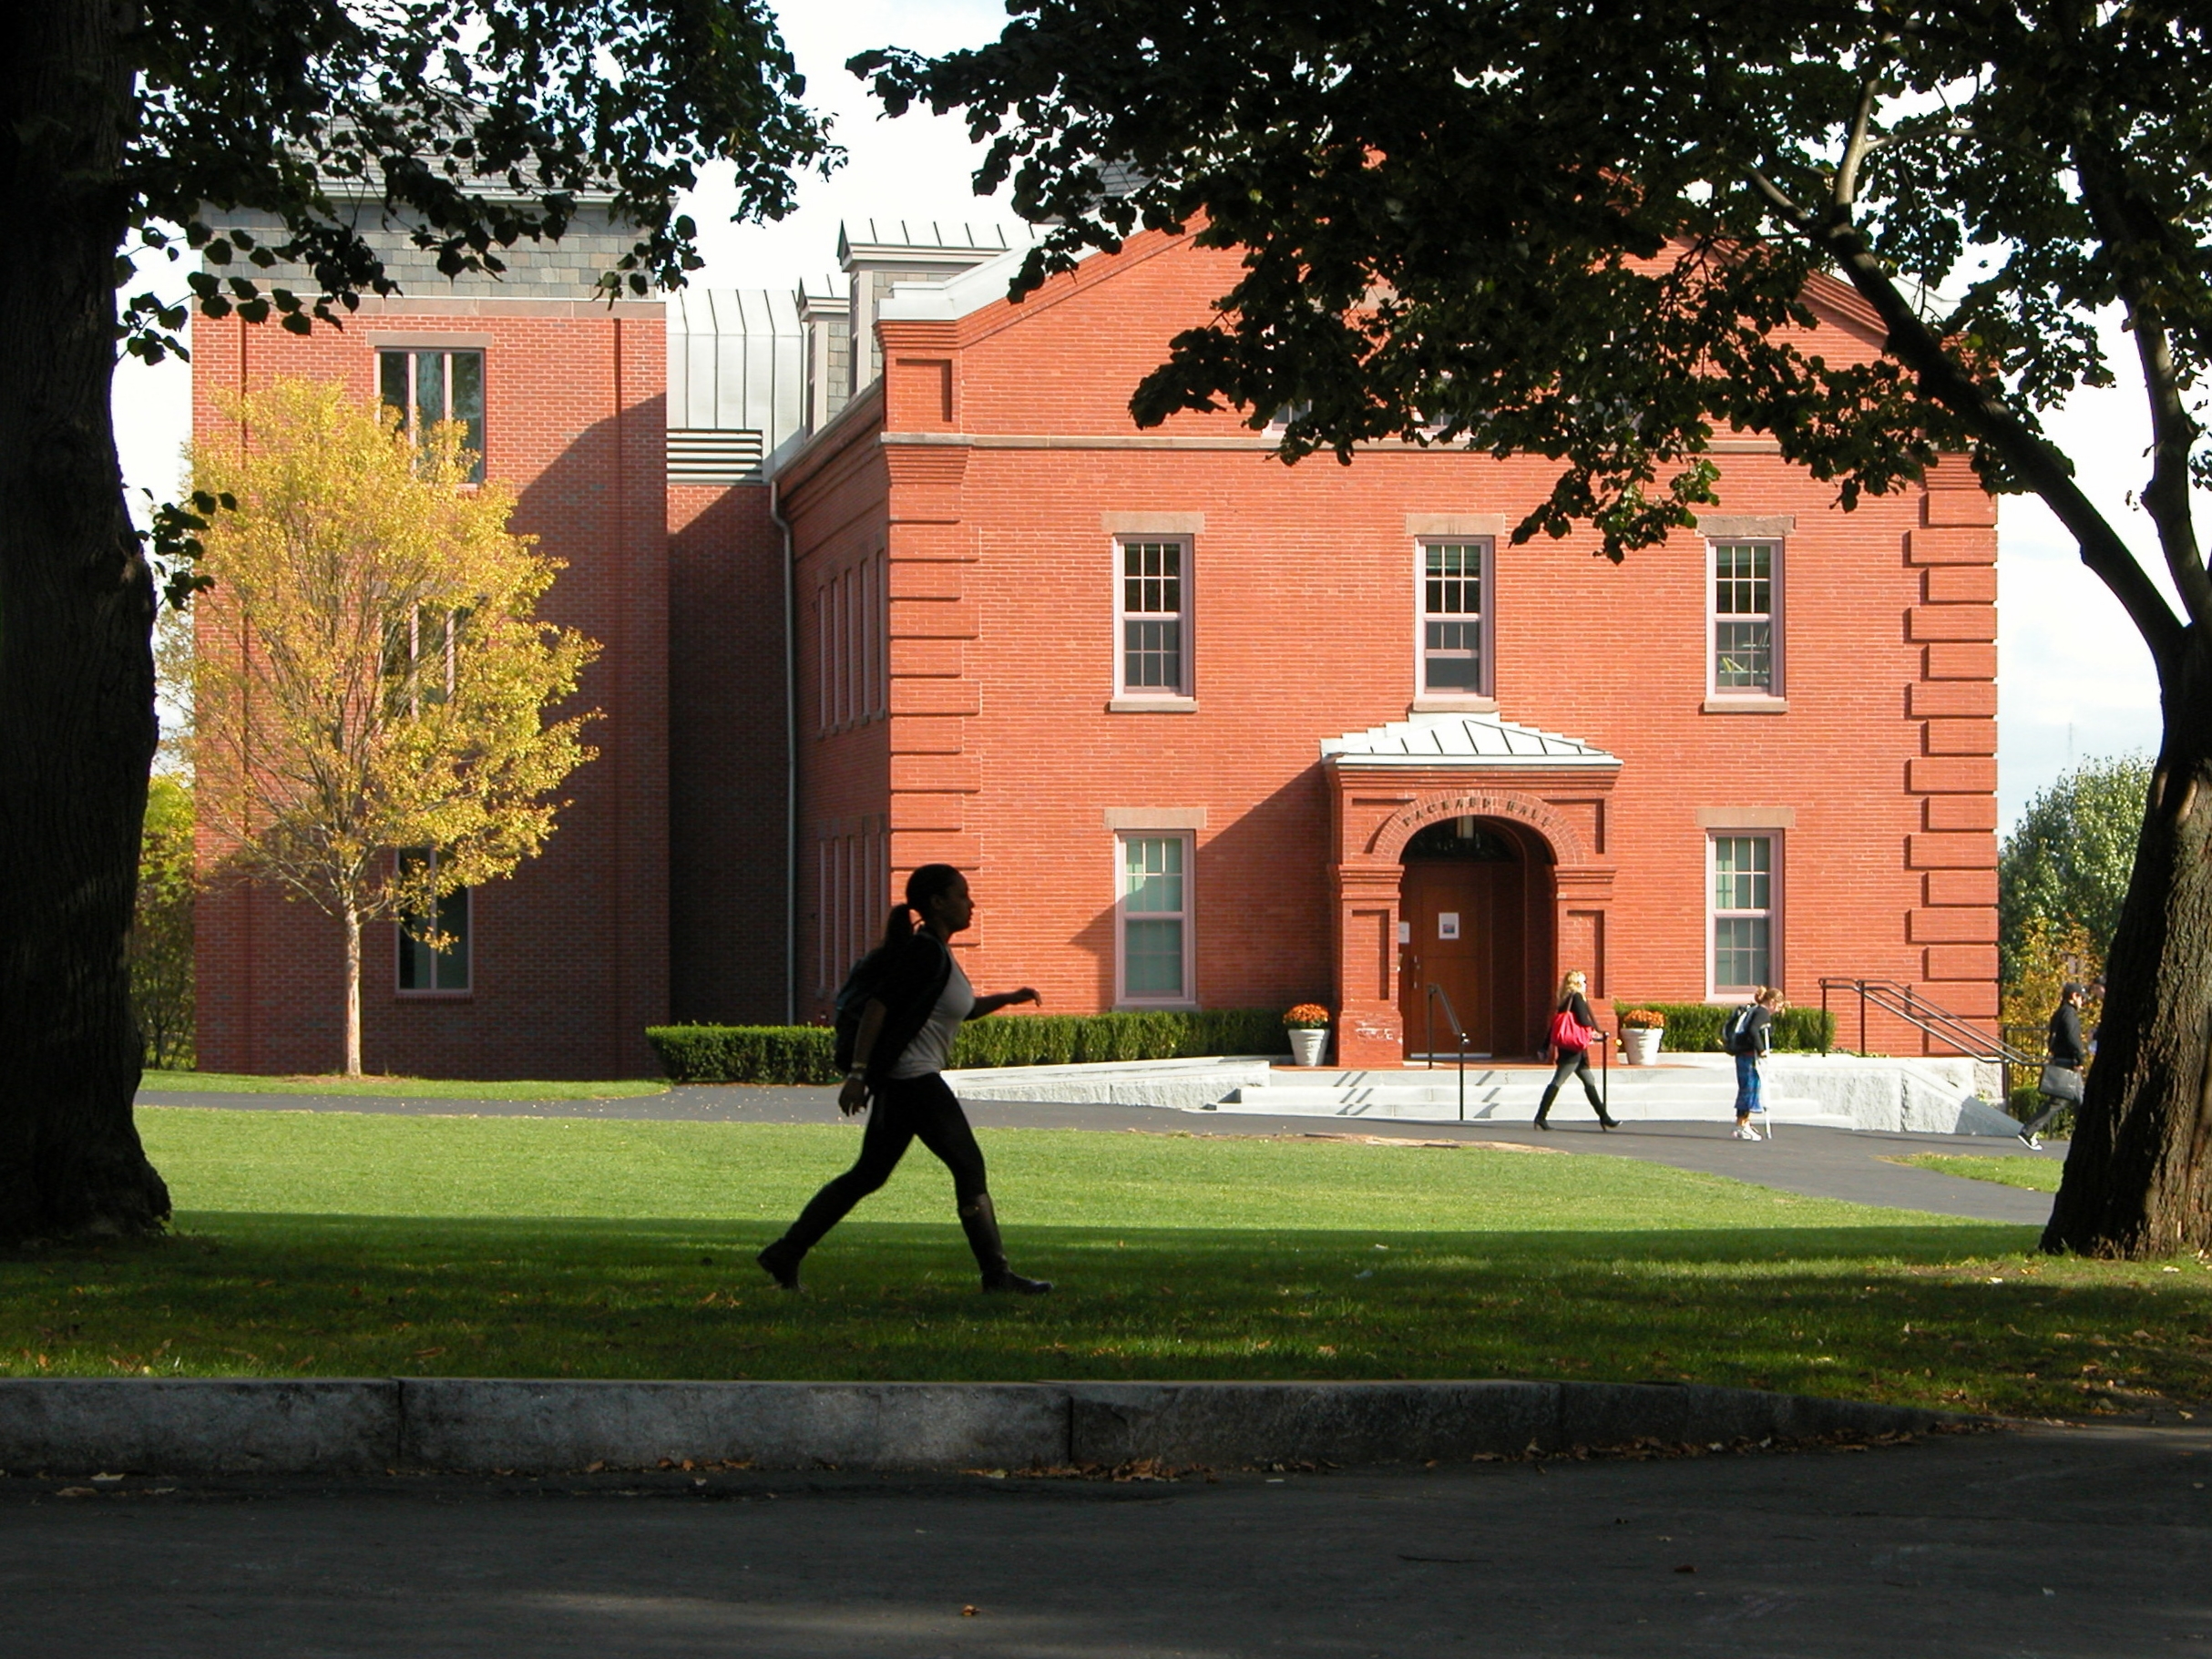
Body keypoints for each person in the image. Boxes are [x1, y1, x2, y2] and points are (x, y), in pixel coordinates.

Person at [756, 865, 1050, 1294]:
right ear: (937, 903)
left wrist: (1007, 998)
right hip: (913, 1081)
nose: (971, 904)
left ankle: (785, 1253)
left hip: (903, 1083)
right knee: (968, 1166)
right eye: (962, 895)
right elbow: (878, 1007)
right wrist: (858, 1075)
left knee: (868, 1175)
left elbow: (958, 1009)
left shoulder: (938, 952)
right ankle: (997, 1276)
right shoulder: (923, 952)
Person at [1536, 969, 1618, 1131]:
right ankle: (1541, 1116)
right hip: (1574, 1050)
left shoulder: (1564, 1000)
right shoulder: (1578, 997)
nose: (1586, 984)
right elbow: (1583, 1019)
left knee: (1589, 1081)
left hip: (1571, 1048)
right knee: (1558, 1081)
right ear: (1577, 983)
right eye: (1584, 981)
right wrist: (1595, 1030)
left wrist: (1544, 1046)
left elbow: (1554, 1026)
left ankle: (1604, 1117)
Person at [2017, 982, 2088, 1151]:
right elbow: (2073, 1039)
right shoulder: (2069, 1014)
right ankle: (2088, 1140)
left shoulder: (2059, 1013)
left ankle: (2029, 1130)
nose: (2083, 1002)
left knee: (2064, 1101)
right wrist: (2080, 1059)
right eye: (2081, 998)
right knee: (2077, 1101)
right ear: (2073, 996)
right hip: (2069, 1063)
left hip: (2060, 1060)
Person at [1731, 986, 1785, 1141]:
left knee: (1746, 1088)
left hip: (1743, 1055)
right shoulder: (1762, 1013)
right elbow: (1753, 1030)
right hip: (1749, 1056)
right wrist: (1761, 1050)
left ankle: (1742, 1123)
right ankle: (1743, 1124)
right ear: (1773, 1002)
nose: (1779, 1010)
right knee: (1749, 1089)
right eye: (1779, 1006)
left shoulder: (1754, 1010)